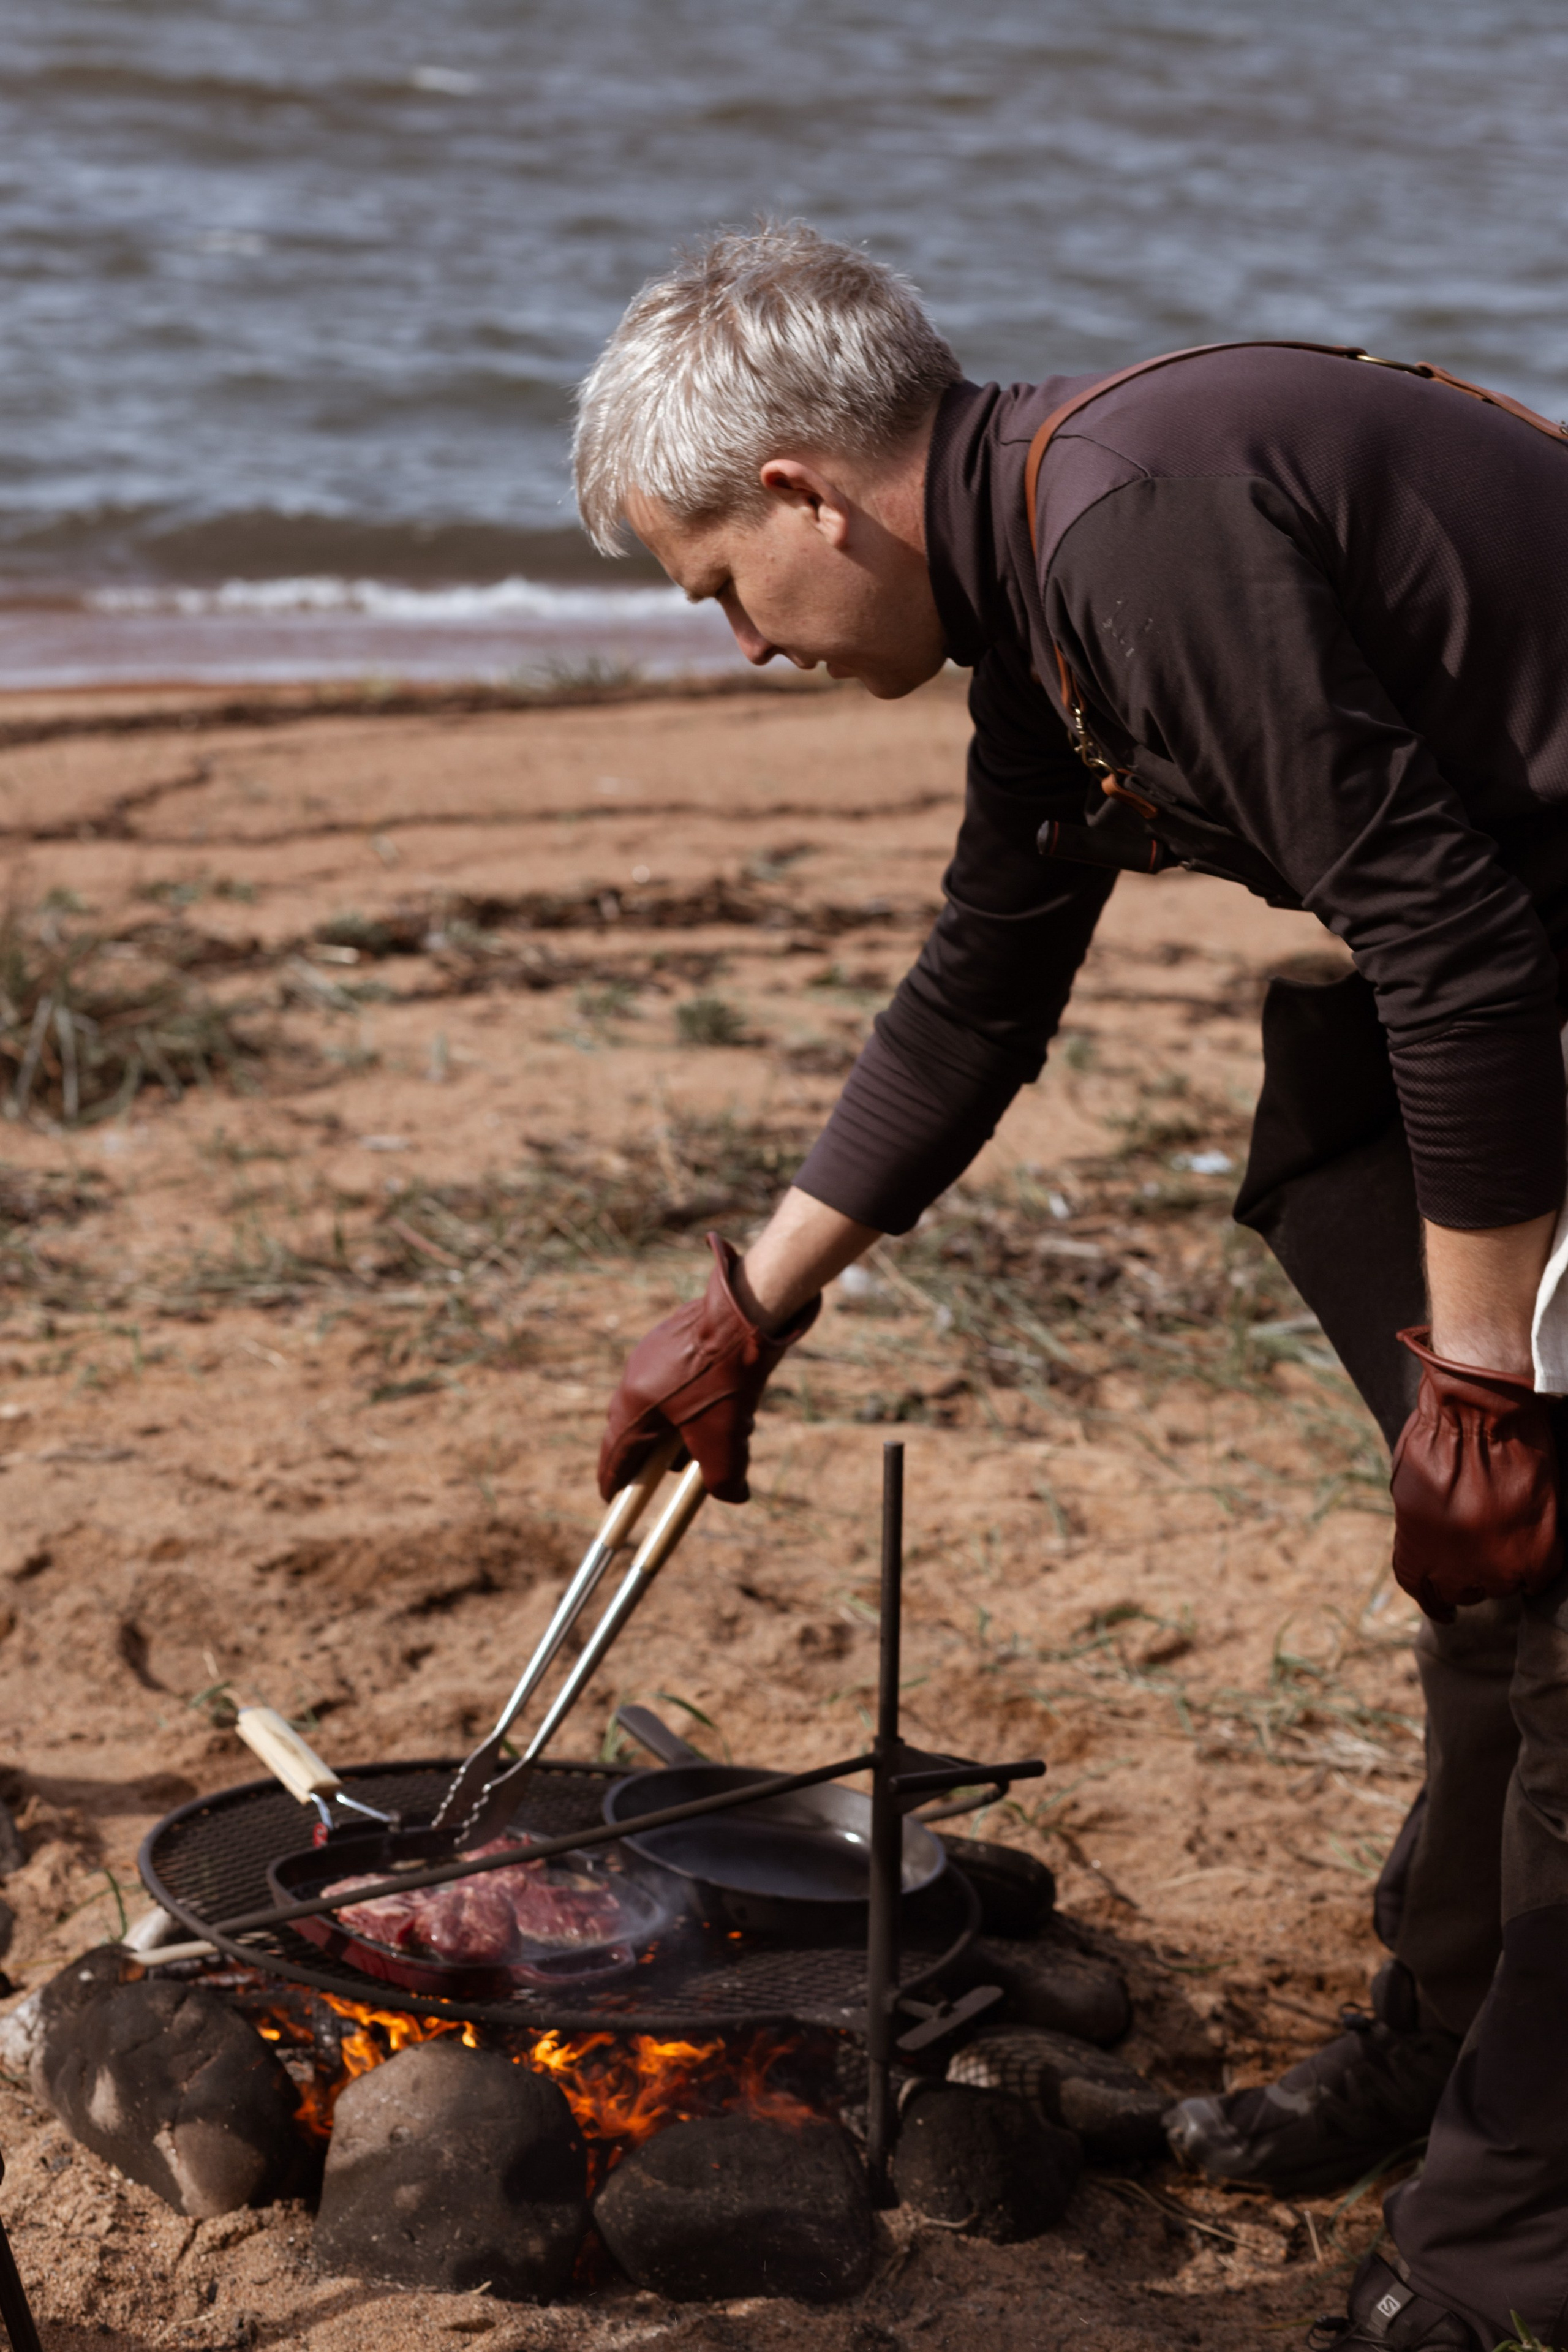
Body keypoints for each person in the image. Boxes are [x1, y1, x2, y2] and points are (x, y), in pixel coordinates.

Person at [573, 221, 1568, 2351]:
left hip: (1531, 1000)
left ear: (802, 498)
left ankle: (1501, 2265)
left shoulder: (1138, 527)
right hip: (1525, 1006)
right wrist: (753, 1301)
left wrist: (1487, 1384)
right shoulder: (1044, 594)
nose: (738, 643)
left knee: (1564, 1617)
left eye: (719, 587)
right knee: (1494, 1597)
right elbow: (983, 980)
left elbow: (1457, 947)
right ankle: (1433, 2056)